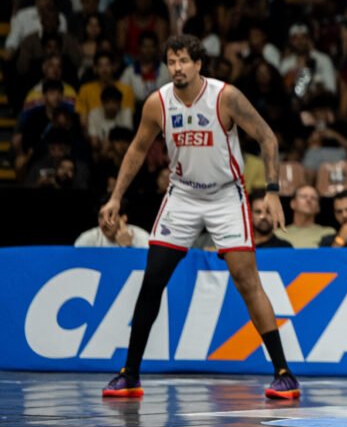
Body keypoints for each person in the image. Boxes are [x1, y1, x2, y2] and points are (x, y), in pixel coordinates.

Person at [97, 35, 299, 400]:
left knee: (246, 279)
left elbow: (267, 138)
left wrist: (271, 191)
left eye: (183, 61)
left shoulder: (225, 97)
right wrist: (115, 197)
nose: (177, 68)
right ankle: (130, 374)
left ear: (198, 64)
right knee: (153, 278)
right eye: (171, 62)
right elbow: (138, 149)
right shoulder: (157, 103)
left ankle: (284, 373)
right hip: (183, 194)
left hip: (226, 194)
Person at [75, 201, 150, 248]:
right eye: (101, 216)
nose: (104, 222)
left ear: (123, 218)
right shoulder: (88, 239)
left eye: (110, 215)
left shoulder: (142, 238)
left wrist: (128, 249)